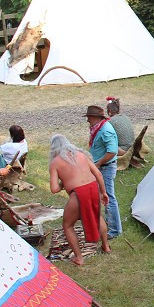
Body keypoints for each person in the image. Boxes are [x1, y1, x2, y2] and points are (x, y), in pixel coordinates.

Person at [49, 134, 111, 264]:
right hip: (93, 188)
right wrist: (103, 192)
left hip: (78, 193)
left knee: (67, 225)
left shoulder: (55, 162)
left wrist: (64, 182)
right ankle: (106, 246)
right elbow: (98, 174)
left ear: (53, 148)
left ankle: (79, 257)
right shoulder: (81, 155)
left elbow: (54, 189)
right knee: (97, 216)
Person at [86, 105, 122, 239]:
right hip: (102, 167)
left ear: (95, 117)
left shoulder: (106, 130)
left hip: (106, 168)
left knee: (108, 197)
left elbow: (112, 152)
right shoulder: (99, 128)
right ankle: (109, 223)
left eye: (89, 117)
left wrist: (98, 163)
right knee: (104, 196)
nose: (87, 120)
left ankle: (114, 230)